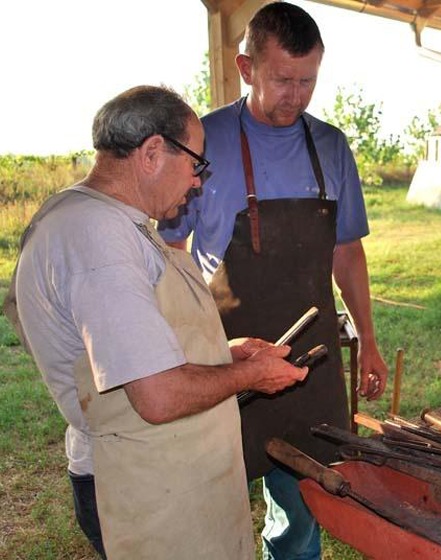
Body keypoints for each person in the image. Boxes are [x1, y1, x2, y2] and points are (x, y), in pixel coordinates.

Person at [2, 85, 310, 559]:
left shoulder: (96, 220)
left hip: (160, 468)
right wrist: (252, 375)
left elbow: (132, 353)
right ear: (151, 153)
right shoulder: (97, 237)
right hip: (139, 480)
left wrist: (225, 354)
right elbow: (157, 395)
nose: (197, 182)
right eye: (196, 164)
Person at [157, 2, 389, 558]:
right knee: (211, 500)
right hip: (223, 353)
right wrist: (176, 348)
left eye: (308, 81)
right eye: (282, 79)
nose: (296, 95)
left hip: (307, 357)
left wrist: (370, 343)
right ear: (246, 67)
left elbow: (347, 252)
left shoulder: (331, 146)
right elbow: (169, 251)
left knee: (301, 504)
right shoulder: (201, 145)